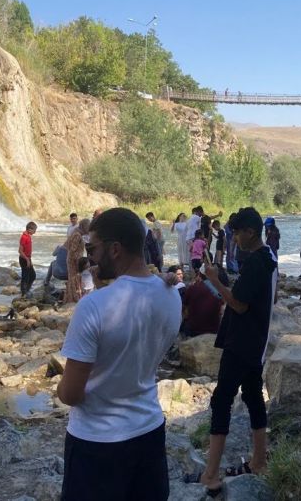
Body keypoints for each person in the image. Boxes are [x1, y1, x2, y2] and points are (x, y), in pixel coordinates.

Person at [56, 208, 181, 500]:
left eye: (92, 248)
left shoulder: (93, 307)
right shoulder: (171, 294)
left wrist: (60, 387)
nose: (90, 257)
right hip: (148, 431)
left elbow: (71, 394)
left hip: (97, 442)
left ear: (114, 249)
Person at [193, 207, 277, 497]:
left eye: (237, 233)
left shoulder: (256, 262)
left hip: (241, 342)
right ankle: (258, 461)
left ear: (250, 232)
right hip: (256, 342)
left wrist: (215, 281)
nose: (234, 238)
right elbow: (254, 297)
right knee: (253, 397)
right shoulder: (269, 257)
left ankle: (211, 474)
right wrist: (227, 283)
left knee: (221, 400)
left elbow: (239, 305)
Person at [181, 272, 224, 337]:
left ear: (199, 276)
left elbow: (183, 309)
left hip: (194, 330)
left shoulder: (192, 288)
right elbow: (221, 312)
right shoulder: (219, 290)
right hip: (213, 331)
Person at [64, 219, 90, 304]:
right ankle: (73, 298)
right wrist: (78, 262)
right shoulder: (77, 235)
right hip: (73, 261)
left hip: (73, 259)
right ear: (84, 226)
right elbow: (72, 250)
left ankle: (71, 298)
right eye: (87, 227)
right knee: (73, 279)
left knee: (73, 279)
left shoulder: (77, 233)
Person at [19, 222, 37, 298]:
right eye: (34, 230)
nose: (35, 232)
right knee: (25, 277)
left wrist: (30, 260)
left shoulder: (28, 236)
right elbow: (20, 251)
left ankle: (27, 290)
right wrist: (27, 260)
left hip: (28, 258)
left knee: (32, 275)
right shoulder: (24, 237)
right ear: (29, 229)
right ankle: (24, 293)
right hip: (24, 259)